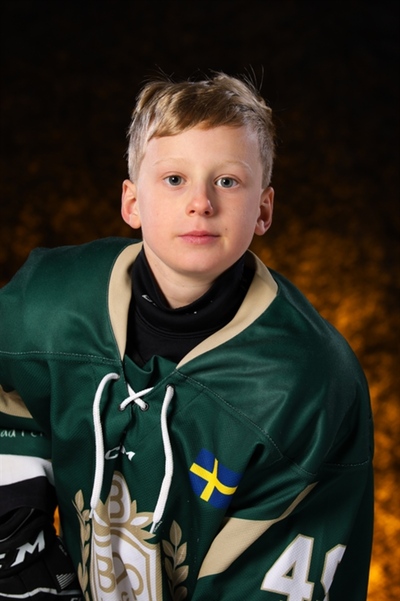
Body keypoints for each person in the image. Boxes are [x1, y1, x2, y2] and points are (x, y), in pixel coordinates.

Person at [0, 72, 374, 600]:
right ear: (132, 202)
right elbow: (10, 396)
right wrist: (17, 535)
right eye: (175, 178)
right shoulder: (49, 300)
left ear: (264, 209)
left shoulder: (308, 384)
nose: (201, 202)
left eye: (228, 181)